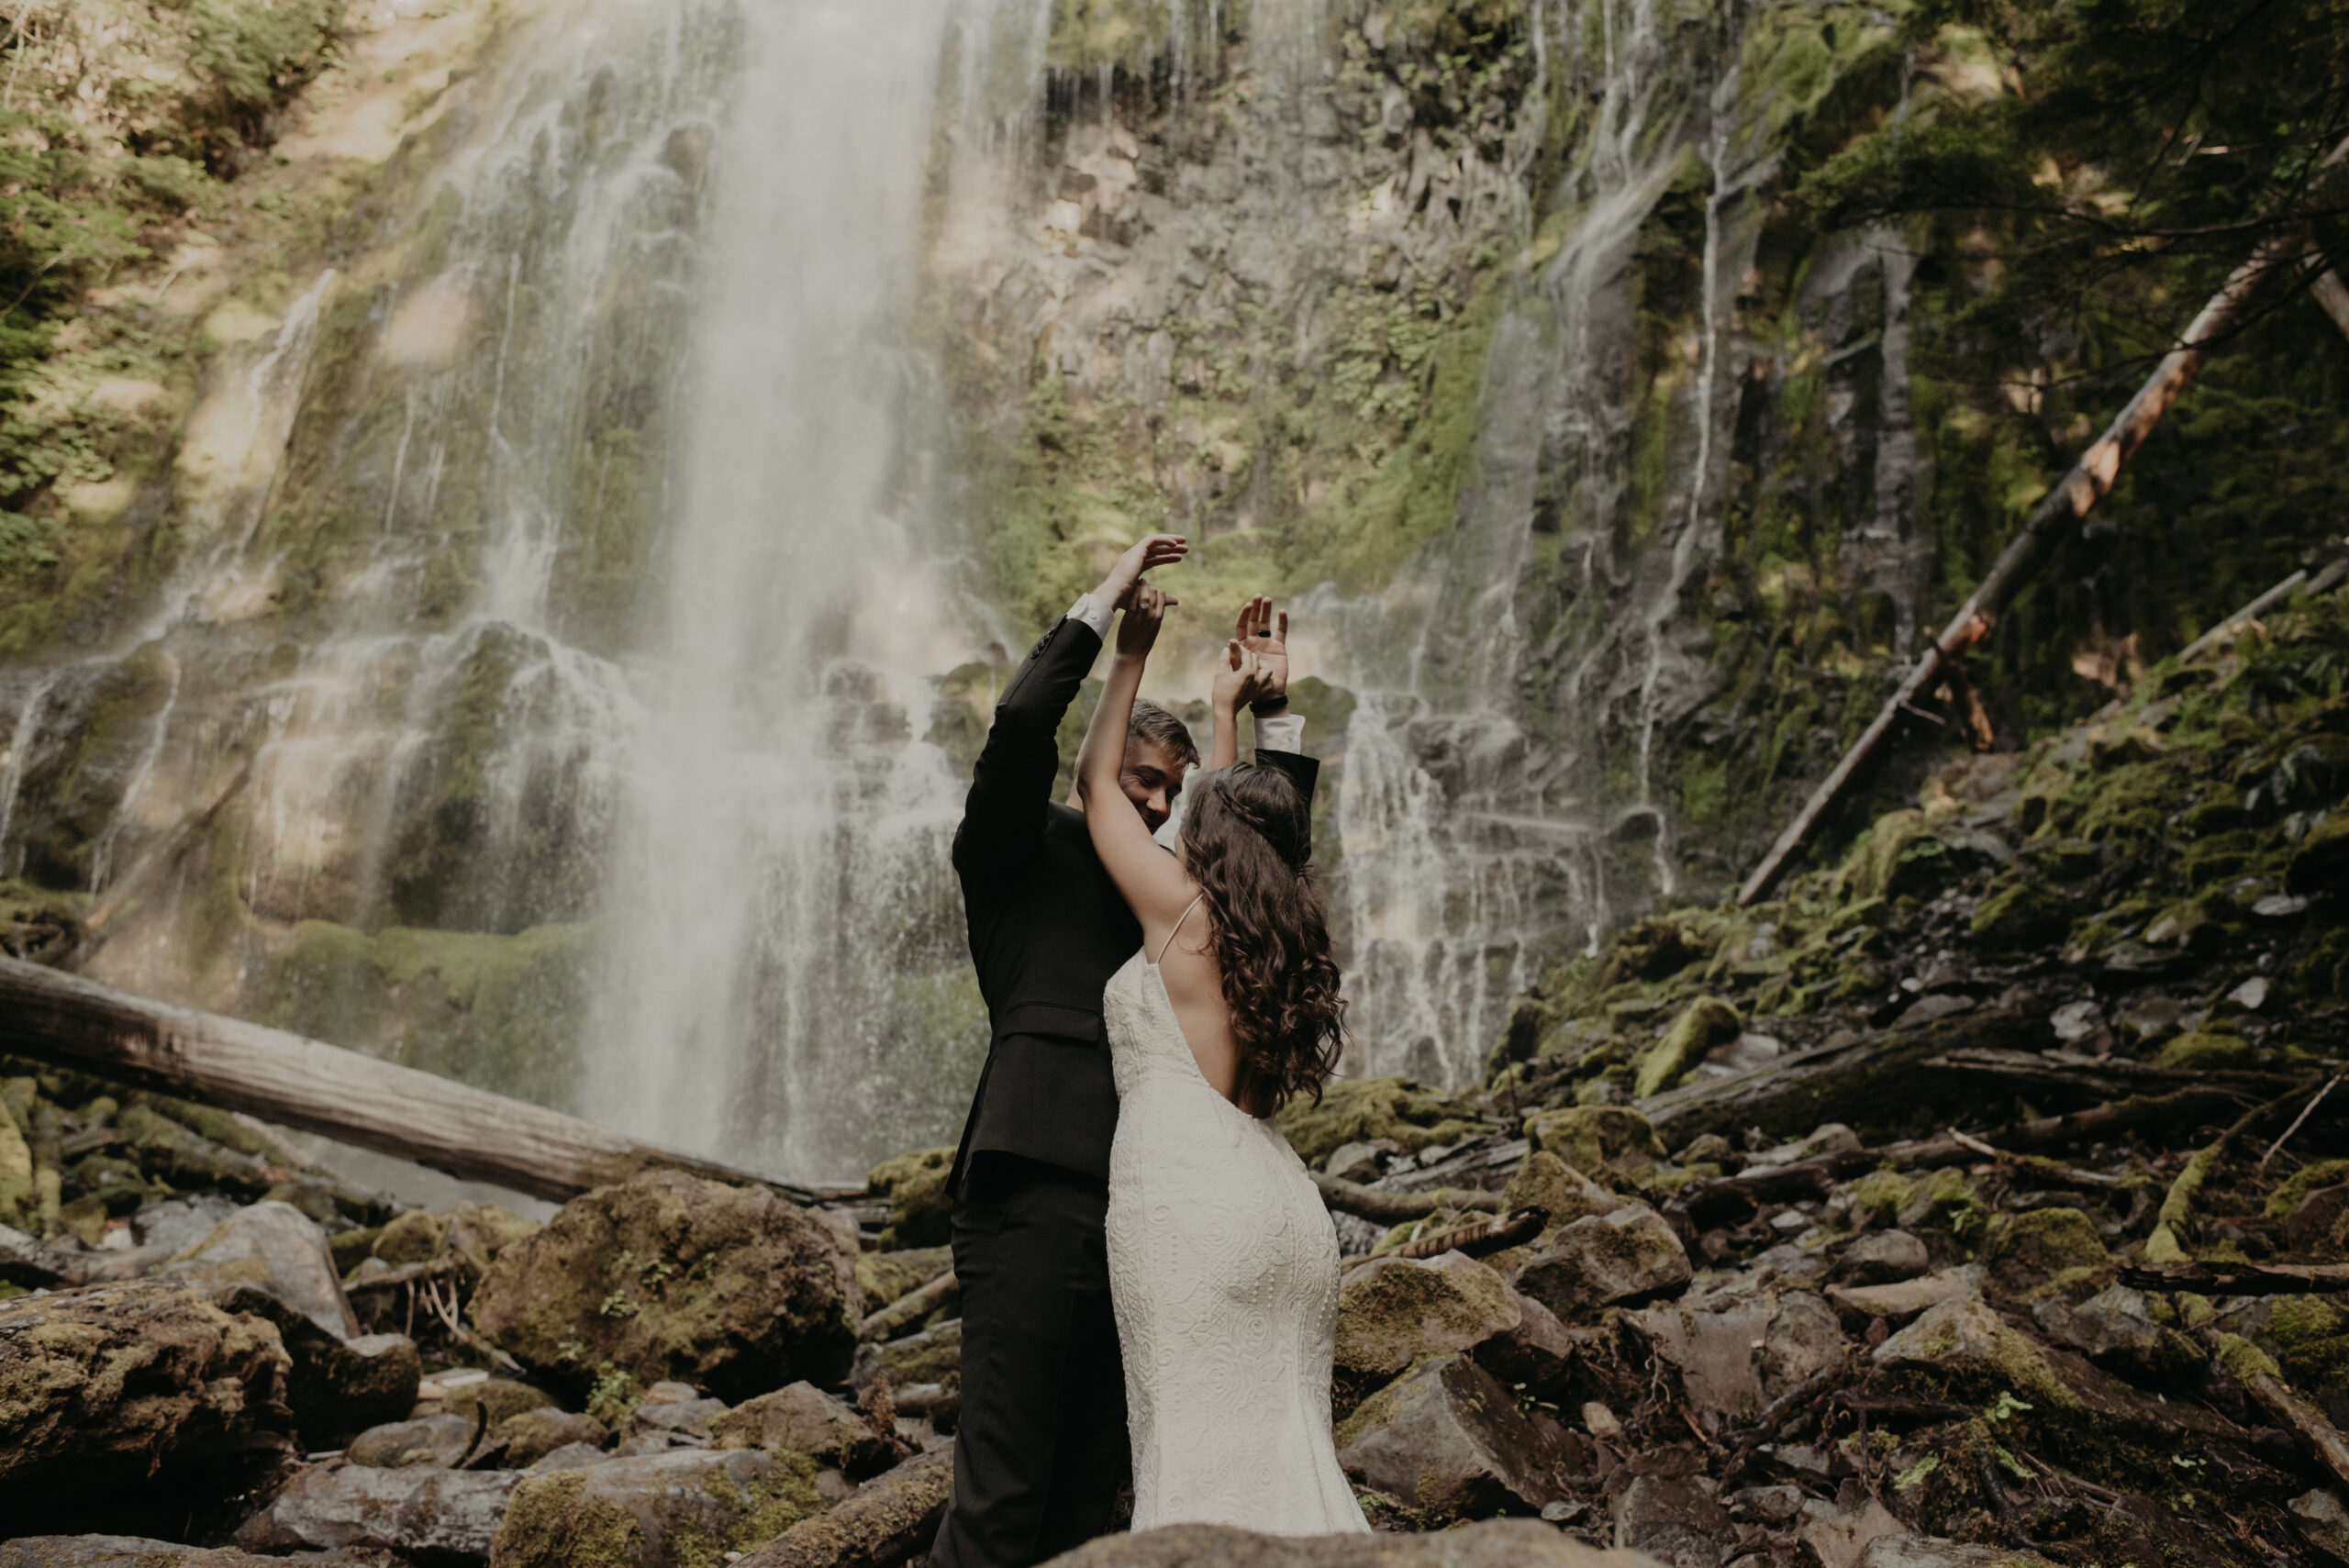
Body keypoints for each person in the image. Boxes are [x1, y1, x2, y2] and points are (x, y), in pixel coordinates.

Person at [933, 532, 1319, 1568]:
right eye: (1141, 778)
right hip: (1040, 1183)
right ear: (1096, 777)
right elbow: (1019, 722)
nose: (1155, 800)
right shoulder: (1021, 849)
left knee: (1098, 1492)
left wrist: (1263, 711)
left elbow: (1267, 846)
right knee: (1002, 1487)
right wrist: (1109, 607)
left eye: (1174, 788)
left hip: (1159, 1222)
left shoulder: (1187, 898)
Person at [1074, 580, 1368, 1535]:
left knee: (1192, 1471)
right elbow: (1243, 822)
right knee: (1292, 1462)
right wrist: (1238, 711)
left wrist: (1129, 653)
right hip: (1283, 1211)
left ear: (1198, 836)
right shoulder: (1270, 930)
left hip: (1188, 1203)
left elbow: (1093, 787)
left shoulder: (1178, 912)